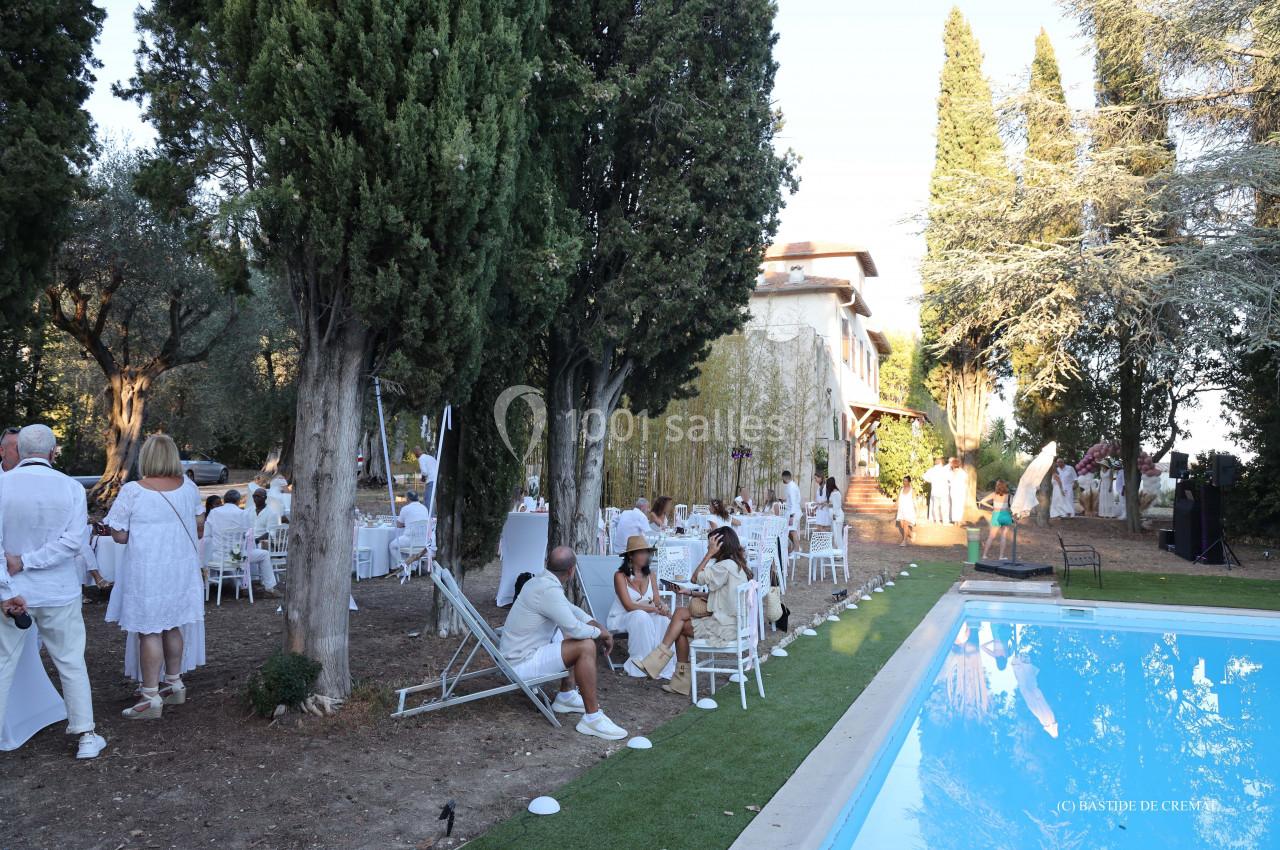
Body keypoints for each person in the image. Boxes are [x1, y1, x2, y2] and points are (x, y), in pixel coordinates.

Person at [0, 424, 107, 759]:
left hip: (14, 593)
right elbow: (73, 543)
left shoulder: (3, 485)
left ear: (18, 450)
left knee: (3, 663)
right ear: (53, 451)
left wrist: (8, 581)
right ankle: (86, 735)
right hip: (58, 591)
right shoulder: (70, 488)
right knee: (71, 661)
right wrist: (28, 561)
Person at [102, 434, 206, 720]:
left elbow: (120, 535)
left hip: (148, 570)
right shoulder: (190, 488)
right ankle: (174, 683)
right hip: (180, 569)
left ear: (147, 458)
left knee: (149, 631)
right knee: (173, 625)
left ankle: (150, 696)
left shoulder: (133, 491)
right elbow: (199, 526)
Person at [498, 546, 627, 740]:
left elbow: (569, 609)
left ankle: (566, 696)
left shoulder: (539, 582)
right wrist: (600, 633)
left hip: (517, 655)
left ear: (547, 565)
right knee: (585, 645)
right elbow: (575, 628)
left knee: (567, 630)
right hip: (519, 664)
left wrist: (595, 624)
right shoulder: (547, 590)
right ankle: (592, 718)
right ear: (571, 570)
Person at [637, 527, 753, 697]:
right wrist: (690, 592)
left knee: (680, 624)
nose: (708, 547)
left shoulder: (724, 566)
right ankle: (669, 674)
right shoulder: (736, 565)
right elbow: (720, 594)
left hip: (725, 629)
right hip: (733, 623)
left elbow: (695, 577)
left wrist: (708, 555)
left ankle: (661, 666)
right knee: (680, 615)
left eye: (710, 545)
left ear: (720, 545)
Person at [607, 535, 674, 679]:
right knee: (640, 615)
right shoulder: (620, 576)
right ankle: (640, 662)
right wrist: (654, 609)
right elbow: (629, 605)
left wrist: (663, 607)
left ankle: (659, 664)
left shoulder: (651, 575)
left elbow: (656, 601)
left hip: (645, 616)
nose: (645, 556)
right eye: (641, 552)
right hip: (622, 617)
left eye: (647, 552)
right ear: (631, 555)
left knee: (664, 620)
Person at [204, 489, 279, 597]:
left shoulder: (214, 512)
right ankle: (269, 587)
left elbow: (207, 535)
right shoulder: (242, 514)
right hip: (236, 556)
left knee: (245, 552)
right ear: (238, 501)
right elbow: (249, 536)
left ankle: (243, 584)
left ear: (224, 500)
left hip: (217, 557)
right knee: (263, 554)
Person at [389, 490, 431, 567]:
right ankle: (412, 567)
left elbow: (398, 525)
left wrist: (405, 524)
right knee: (403, 545)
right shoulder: (424, 508)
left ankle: (403, 565)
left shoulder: (406, 508)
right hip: (423, 540)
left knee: (392, 545)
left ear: (407, 499)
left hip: (410, 539)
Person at [978, 480, 1014, 560]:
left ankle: (984, 555)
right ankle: (1001, 556)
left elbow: (982, 501)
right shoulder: (1009, 496)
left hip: (996, 514)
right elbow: (1012, 507)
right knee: (1003, 536)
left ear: (997, 486)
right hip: (1005, 515)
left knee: (991, 536)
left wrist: (991, 507)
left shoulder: (994, 494)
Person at [923, 456, 950, 524]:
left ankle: (937, 520)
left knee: (935, 506)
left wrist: (930, 481)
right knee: (944, 506)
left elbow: (924, 476)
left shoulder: (932, 470)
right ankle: (945, 521)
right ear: (941, 462)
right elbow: (950, 478)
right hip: (943, 491)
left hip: (935, 491)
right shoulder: (944, 469)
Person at [782, 470, 803, 548]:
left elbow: (794, 502)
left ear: (784, 477)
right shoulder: (792, 485)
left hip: (793, 512)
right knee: (790, 531)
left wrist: (791, 516)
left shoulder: (791, 487)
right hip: (793, 511)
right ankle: (797, 548)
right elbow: (796, 499)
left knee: (793, 531)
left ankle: (797, 552)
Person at [896, 476, 917, 546]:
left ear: (909, 482)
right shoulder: (901, 489)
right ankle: (911, 534)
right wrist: (892, 507)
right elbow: (898, 500)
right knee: (902, 525)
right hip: (901, 510)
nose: (904, 482)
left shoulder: (912, 490)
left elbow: (914, 501)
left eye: (905, 481)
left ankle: (904, 541)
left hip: (909, 510)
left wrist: (917, 510)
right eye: (903, 481)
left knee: (905, 524)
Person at [948, 457, 969, 525]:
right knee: (960, 505)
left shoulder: (951, 472)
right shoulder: (962, 472)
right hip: (961, 490)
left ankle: (955, 520)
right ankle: (959, 520)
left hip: (953, 491)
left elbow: (948, 480)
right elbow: (966, 481)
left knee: (954, 505)